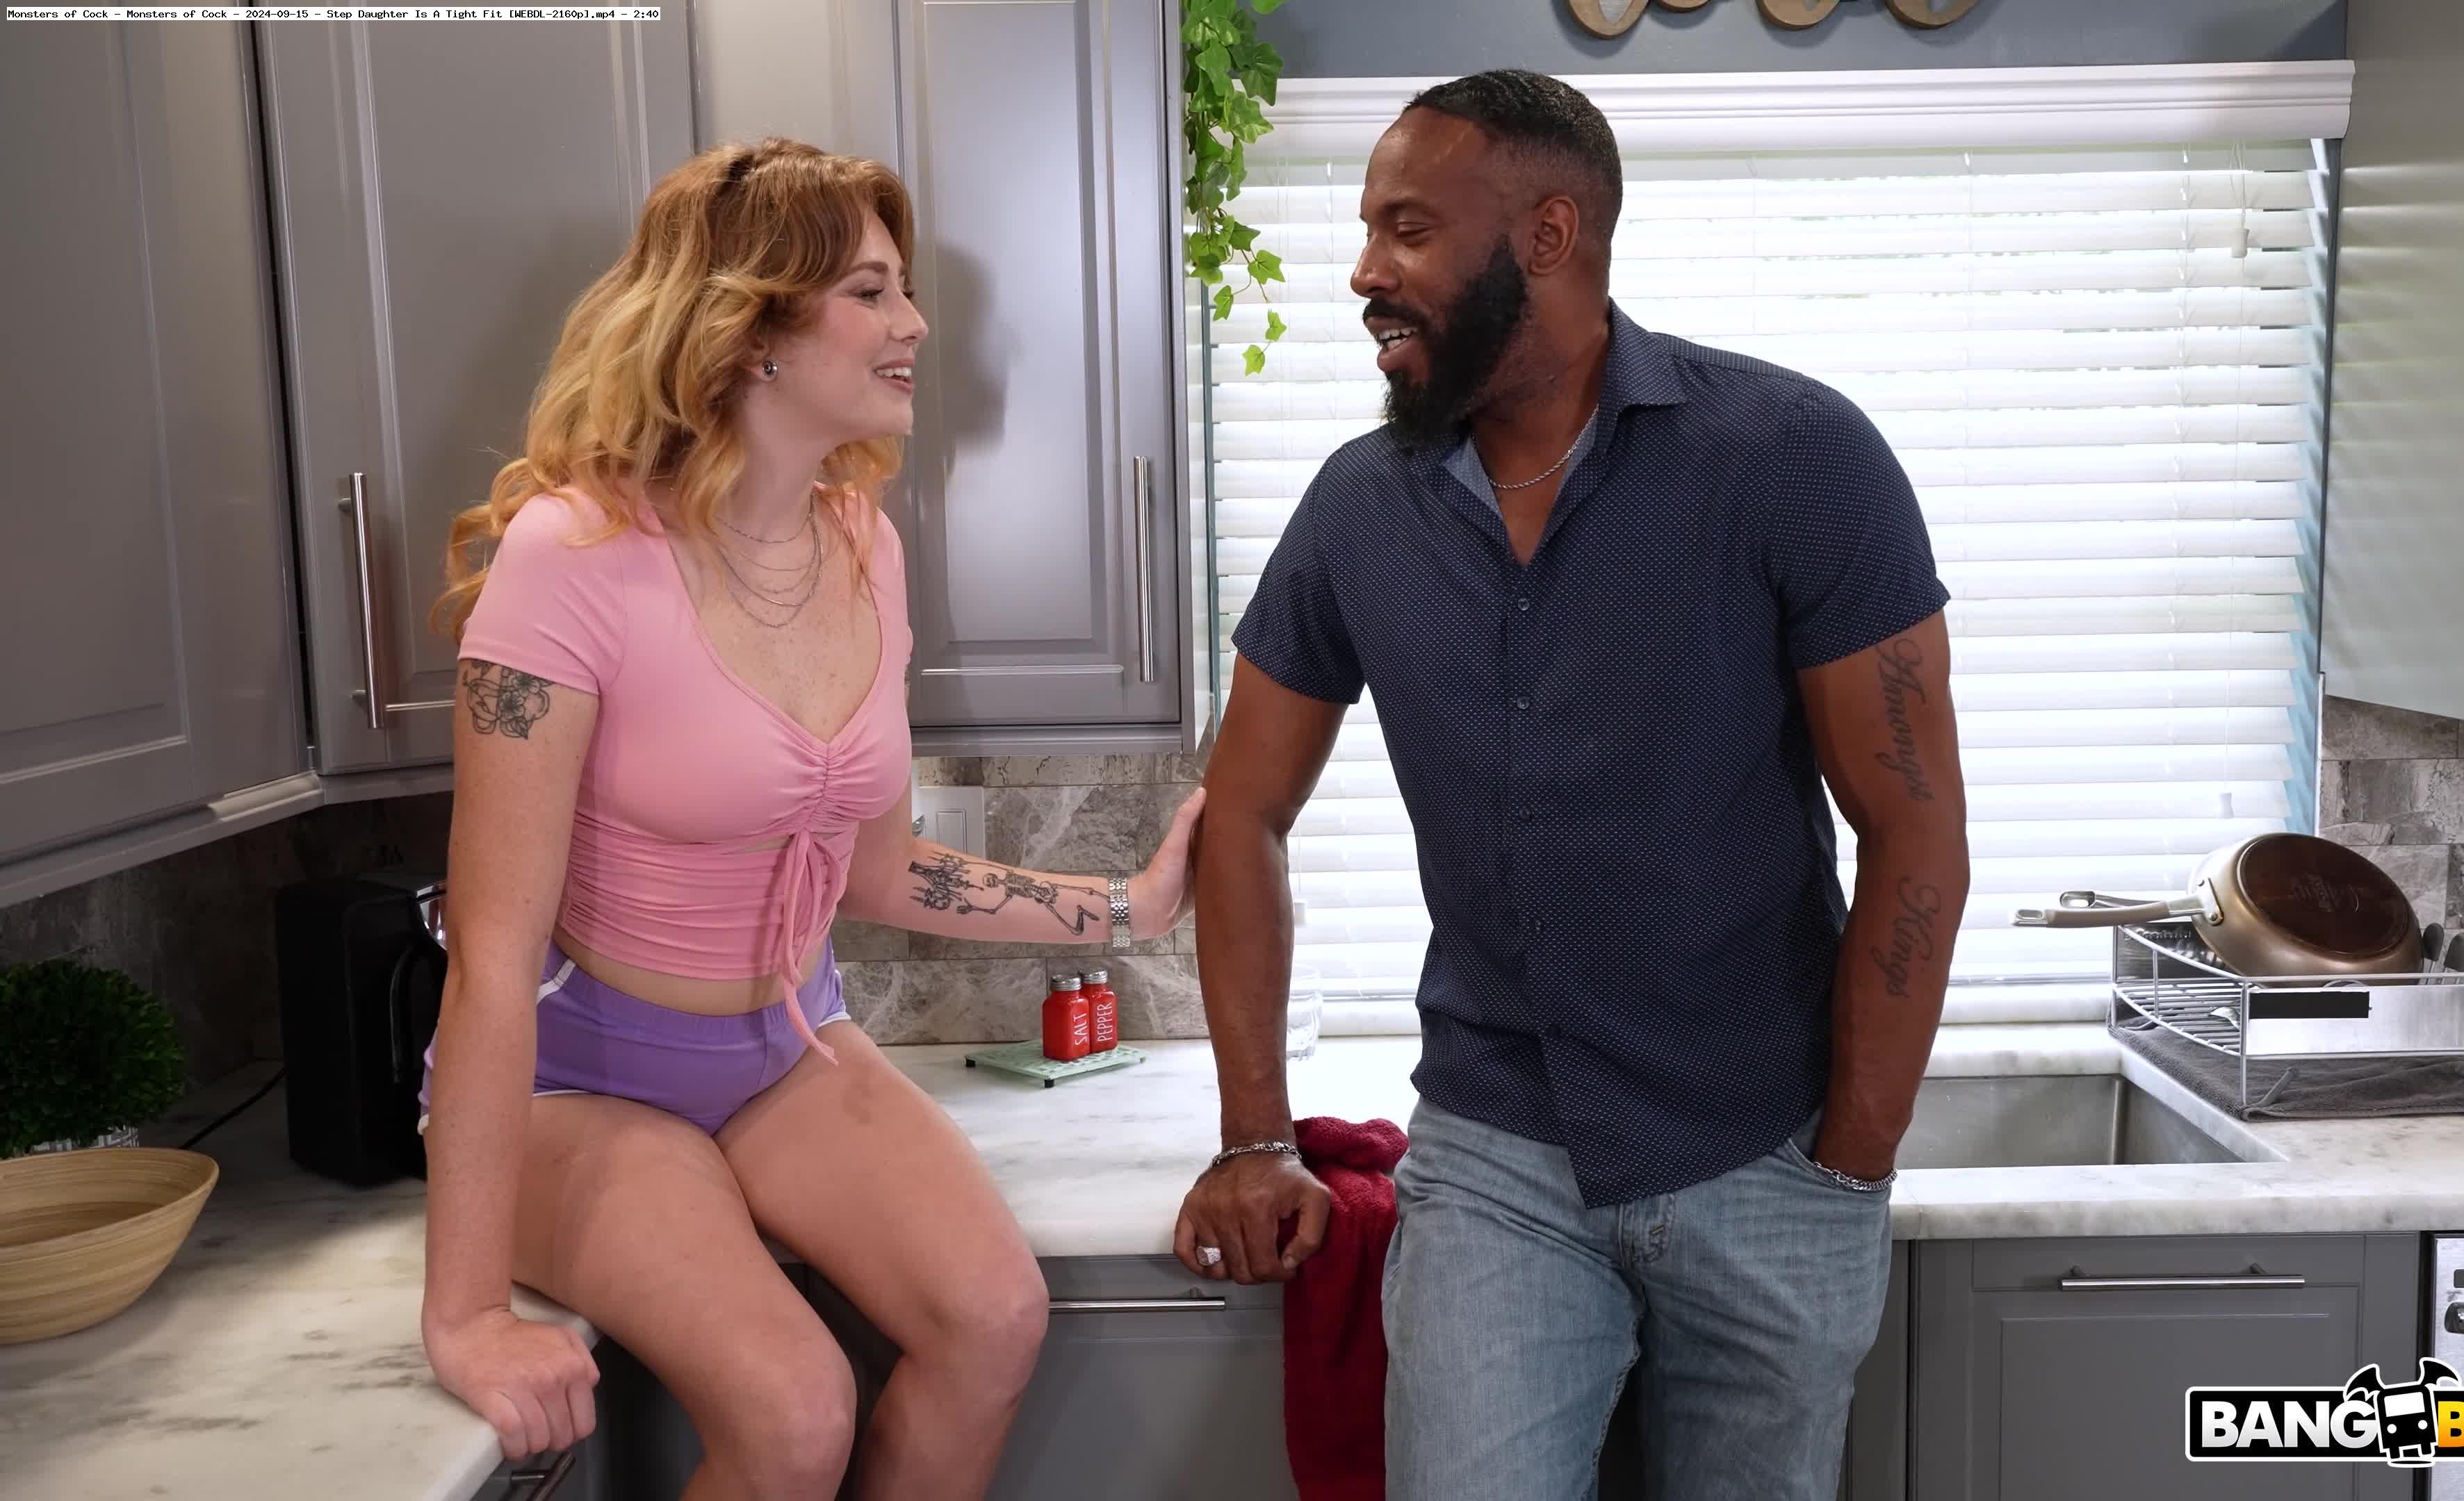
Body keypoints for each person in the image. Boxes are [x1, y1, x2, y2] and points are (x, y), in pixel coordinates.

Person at [1170, 71, 1968, 1500]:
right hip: (1497, 1157)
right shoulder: (1359, 509)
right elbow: (1241, 816)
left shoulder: (1791, 458)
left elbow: (1913, 830)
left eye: (1409, 229)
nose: (1366, 272)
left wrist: (1851, 1159)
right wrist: (1254, 1134)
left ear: (1549, 234)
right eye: (1368, 230)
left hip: (1767, 1150)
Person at [418, 138, 1204, 1501]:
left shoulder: (862, 549)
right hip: (577, 1080)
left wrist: (1128, 907)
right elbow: (491, 958)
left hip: (786, 1046)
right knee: (793, 1413)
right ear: (751, 331)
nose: (915, 326)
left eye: (905, 290)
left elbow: (879, 872)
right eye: (869, 293)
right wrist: (469, 1313)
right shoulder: (571, 558)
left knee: (995, 1320)